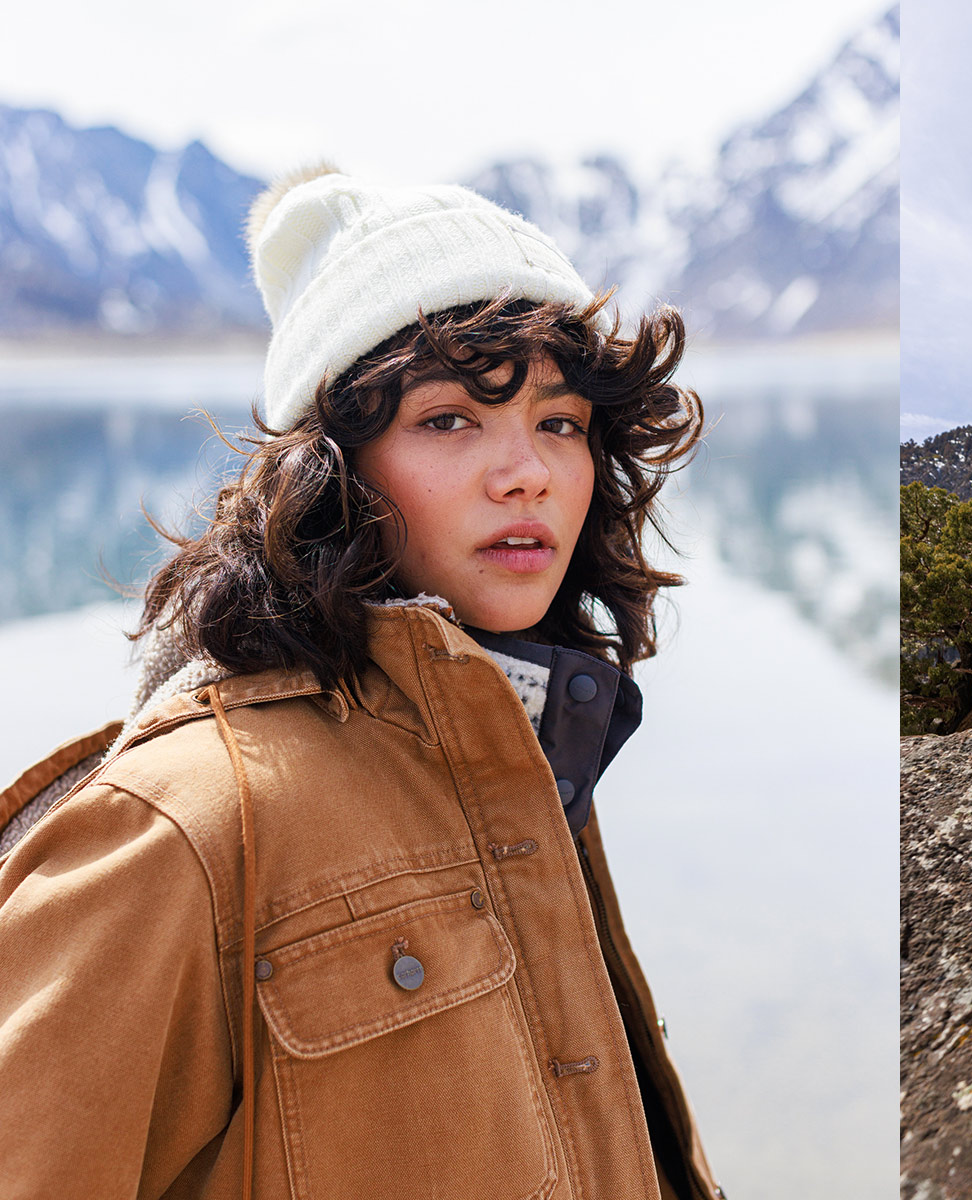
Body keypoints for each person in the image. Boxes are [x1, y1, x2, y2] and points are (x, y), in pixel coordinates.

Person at [0, 166, 725, 1199]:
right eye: (448, 420)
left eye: (560, 423)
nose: (526, 471)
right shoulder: (180, 826)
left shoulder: (520, 743)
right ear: (329, 471)